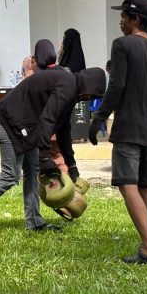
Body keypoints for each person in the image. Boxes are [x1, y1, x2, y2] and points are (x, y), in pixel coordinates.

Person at [0, 40, 106, 236]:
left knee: (32, 172)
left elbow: (64, 130)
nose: (88, 99)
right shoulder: (67, 84)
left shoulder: (71, 89)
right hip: (8, 122)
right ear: (88, 85)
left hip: (26, 126)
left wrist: (72, 167)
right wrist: (45, 156)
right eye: (91, 95)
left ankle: (34, 221)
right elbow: (47, 119)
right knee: (10, 175)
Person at [89, 0, 147, 264]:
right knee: (146, 186)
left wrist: (99, 117)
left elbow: (117, 86)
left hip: (130, 129)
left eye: (124, 15)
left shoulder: (122, 45)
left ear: (136, 19)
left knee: (128, 185)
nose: (121, 20)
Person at [54, 28, 87, 181]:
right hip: (68, 104)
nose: (61, 43)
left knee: (60, 131)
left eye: (63, 38)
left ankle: (64, 169)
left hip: (60, 104)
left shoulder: (66, 64)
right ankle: (71, 167)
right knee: (64, 132)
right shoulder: (78, 60)